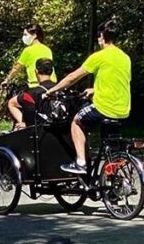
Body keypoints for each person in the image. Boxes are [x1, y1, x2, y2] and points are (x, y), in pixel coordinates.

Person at [44, 19, 131, 175]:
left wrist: (52, 91)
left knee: (77, 121)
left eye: (99, 36)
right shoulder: (124, 57)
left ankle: (81, 163)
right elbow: (117, 81)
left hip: (104, 107)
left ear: (102, 37)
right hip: (123, 109)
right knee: (111, 142)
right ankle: (112, 175)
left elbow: (73, 77)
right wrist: (95, 89)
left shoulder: (100, 56)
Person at [0, 23, 56, 125]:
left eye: (25, 35)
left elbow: (17, 68)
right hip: (52, 85)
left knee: (11, 103)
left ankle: (23, 124)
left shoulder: (28, 51)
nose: (24, 37)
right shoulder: (47, 49)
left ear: (34, 35)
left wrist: (7, 80)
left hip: (36, 86)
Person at [7, 58, 56, 129]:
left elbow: (11, 103)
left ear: (36, 71)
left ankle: (23, 124)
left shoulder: (31, 93)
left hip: (38, 131)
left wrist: (25, 123)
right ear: (51, 72)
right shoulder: (60, 88)